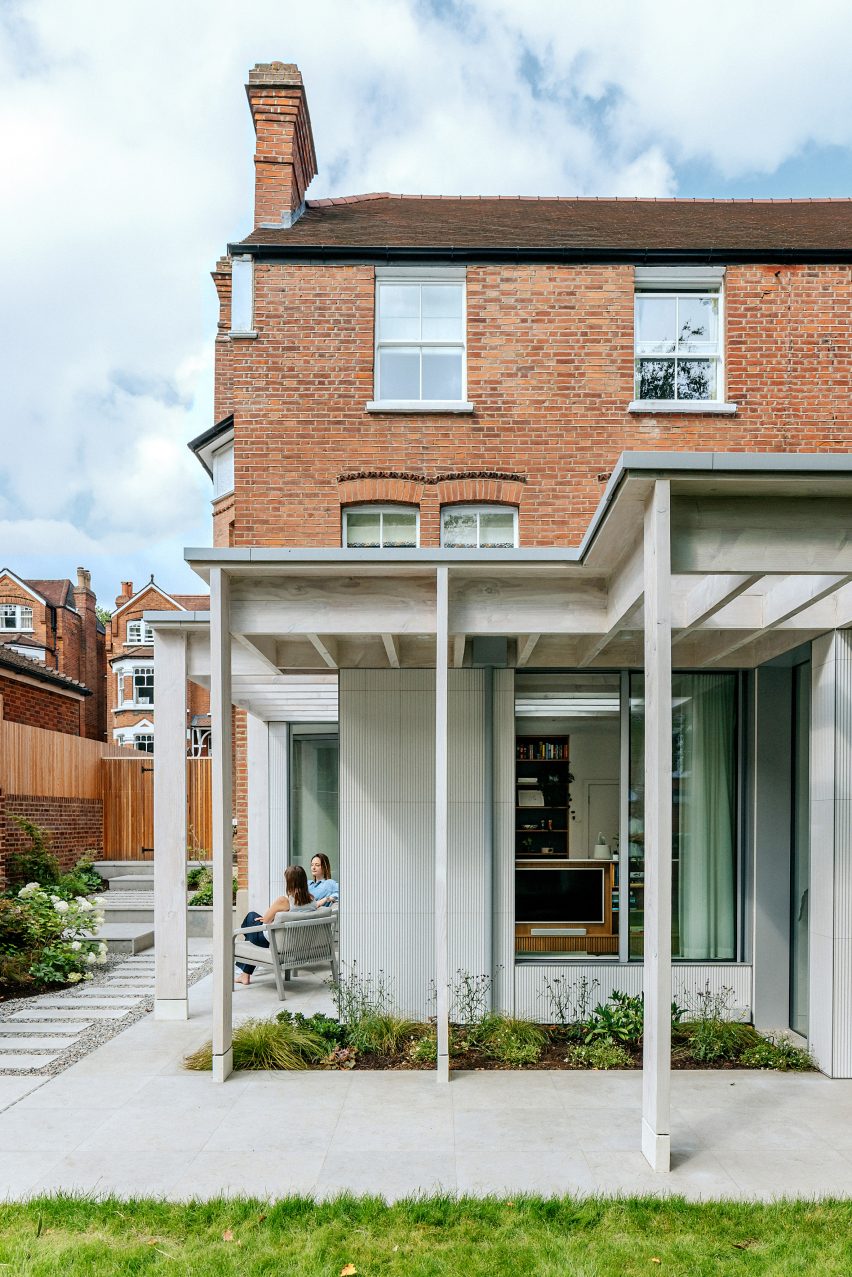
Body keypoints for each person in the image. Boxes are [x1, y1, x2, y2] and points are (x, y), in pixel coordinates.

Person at [235, 864, 318, 986]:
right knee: (253, 923)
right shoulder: (312, 900)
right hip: (294, 943)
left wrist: (271, 918)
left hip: (272, 942)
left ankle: (245, 973)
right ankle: (245, 974)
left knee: (251, 917)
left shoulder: (284, 901)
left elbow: (266, 920)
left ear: (289, 882)